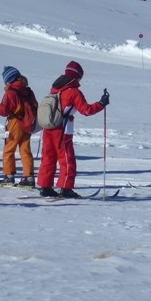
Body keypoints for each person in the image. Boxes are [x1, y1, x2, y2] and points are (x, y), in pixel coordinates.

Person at [36, 61, 107, 198]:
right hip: (63, 130)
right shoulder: (73, 92)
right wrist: (101, 103)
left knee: (48, 158)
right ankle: (66, 188)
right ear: (77, 77)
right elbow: (86, 110)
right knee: (67, 159)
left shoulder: (55, 89)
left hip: (49, 128)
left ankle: (45, 187)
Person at [0, 66, 37, 186]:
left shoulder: (11, 92)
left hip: (15, 123)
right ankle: (29, 177)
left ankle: (9, 176)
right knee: (25, 150)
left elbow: (3, 111)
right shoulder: (28, 91)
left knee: (9, 149)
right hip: (28, 123)